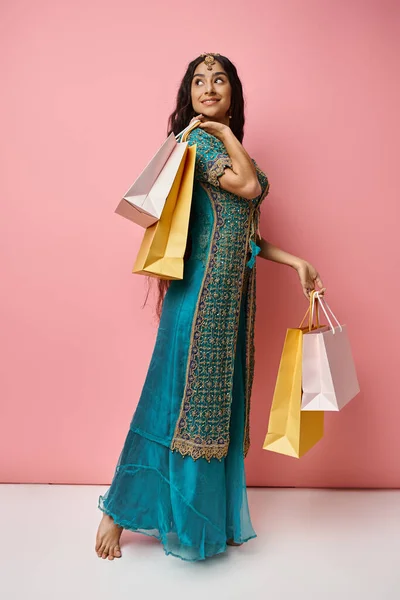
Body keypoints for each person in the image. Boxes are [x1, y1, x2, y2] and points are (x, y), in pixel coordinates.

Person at [95, 53, 325, 562]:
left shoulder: (226, 147)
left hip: (231, 305)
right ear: (189, 96)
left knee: (211, 411)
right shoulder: (200, 144)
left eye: (218, 79)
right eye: (199, 81)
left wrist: (295, 262)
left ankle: (198, 517)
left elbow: (248, 233)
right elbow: (245, 187)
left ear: (233, 92)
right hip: (197, 300)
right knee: (171, 399)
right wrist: (223, 134)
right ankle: (117, 510)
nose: (208, 87)